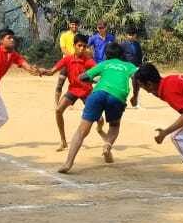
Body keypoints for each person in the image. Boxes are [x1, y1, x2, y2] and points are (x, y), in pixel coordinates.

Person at [58, 42, 138, 173]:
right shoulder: (128, 66)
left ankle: (68, 163)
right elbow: (137, 77)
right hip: (117, 95)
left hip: (98, 94)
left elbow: (83, 77)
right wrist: (135, 96)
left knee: (81, 131)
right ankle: (107, 146)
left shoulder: (103, 64)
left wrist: (95, 80)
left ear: (106, 54)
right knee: (114, 126)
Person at [42, 34, 104, 151]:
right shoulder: (68, 59)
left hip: (86, 92)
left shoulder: (88, 61)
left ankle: (99, 129)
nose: (82, 48)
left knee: (100, 119)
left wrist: (98, 78)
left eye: (84, 46)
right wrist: (43, 71)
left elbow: (100, 72)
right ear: (74, 45)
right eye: (79, 45)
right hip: (73, 90)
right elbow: (52, 71)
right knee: (58, 110)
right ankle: (63, 141)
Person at [54, 19, 80, 101]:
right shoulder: (64, 35)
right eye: (72, 24)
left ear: (78, 26)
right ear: (69, 25)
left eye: (76, 25)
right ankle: (56, 103)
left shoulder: (80, 37)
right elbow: (63, 49)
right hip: (66, 64)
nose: (74, 26)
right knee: (60, 84)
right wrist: (73, 57)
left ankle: (68, 103)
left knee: (78, 85)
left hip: (78, 64)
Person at [121, 29, 145, 108]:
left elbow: (140, 55)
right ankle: (122, 102)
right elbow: (120, 55)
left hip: (135, 68)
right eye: (129, 35)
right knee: (123, 85)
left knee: (136, 85)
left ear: (135, 35)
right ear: (126, 35)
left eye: (132, 35)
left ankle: (135, 102)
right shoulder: (123, 45)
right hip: (125, 67)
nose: (131, 37)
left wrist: (140, 66)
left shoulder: (137, 44)